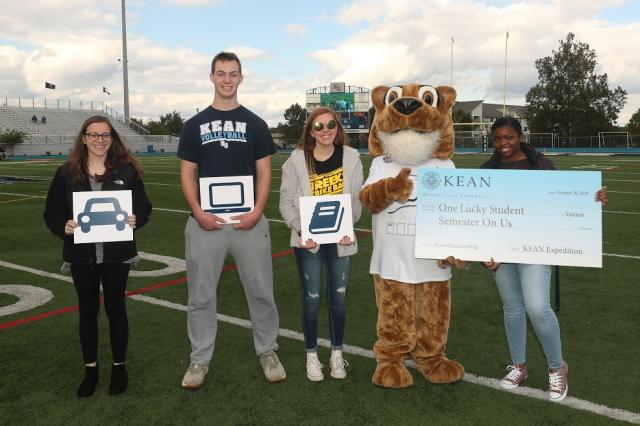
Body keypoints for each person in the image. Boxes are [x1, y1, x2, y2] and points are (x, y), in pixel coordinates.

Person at [177, 51, 285, 389]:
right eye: (221, 74)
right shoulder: (193, 125)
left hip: (248, 223)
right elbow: (187, 173)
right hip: (206, 224)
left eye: (232, 74)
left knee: (261, 291)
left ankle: (268, 350)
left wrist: (257, 211)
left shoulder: (255, 123)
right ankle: (199, 359)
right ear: (211, 77)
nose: (227, 79)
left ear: (241, 78)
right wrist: (197, 212)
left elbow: (265, 173)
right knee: (201, 295)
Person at [480, 116, 607, 402]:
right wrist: (483, 253)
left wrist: (592, 199)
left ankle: (556, 367)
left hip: (536, 247)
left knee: (538, 307)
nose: (503, 143)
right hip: (502, 251)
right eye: (498, 138)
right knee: (512, 308)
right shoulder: (487, 170)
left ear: (520, 136)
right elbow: (480, 217)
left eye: (509, 137)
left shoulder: (541, 164)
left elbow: (564, 200)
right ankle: (520, 365)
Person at [43, 115, 152, 397]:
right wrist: (63, 227)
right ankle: (90, 369)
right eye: (93, 135)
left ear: (112, 138)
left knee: (116, 309)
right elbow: (53, 212)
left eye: (105, 135)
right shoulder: (66, 172)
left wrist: (135, 219)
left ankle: (119, 367)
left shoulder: (127, 171)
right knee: (88, 310)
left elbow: (144, 207)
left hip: (117, 253)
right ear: (83, 138)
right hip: (81, 254)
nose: (99, 140)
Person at [279, 107, 363, 381]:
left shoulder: (352, 158)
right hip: (309, 241)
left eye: (331, 125)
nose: (326, 130)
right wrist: (301, 228)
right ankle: (312, 356)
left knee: (338, 297)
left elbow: (357, 201)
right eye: (319, 126)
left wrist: (349, 225)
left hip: (340, 240)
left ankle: (337, 354)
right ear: (310, 131)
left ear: (338, 128)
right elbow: (285, 201)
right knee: (312, 298)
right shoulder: (295, 159)